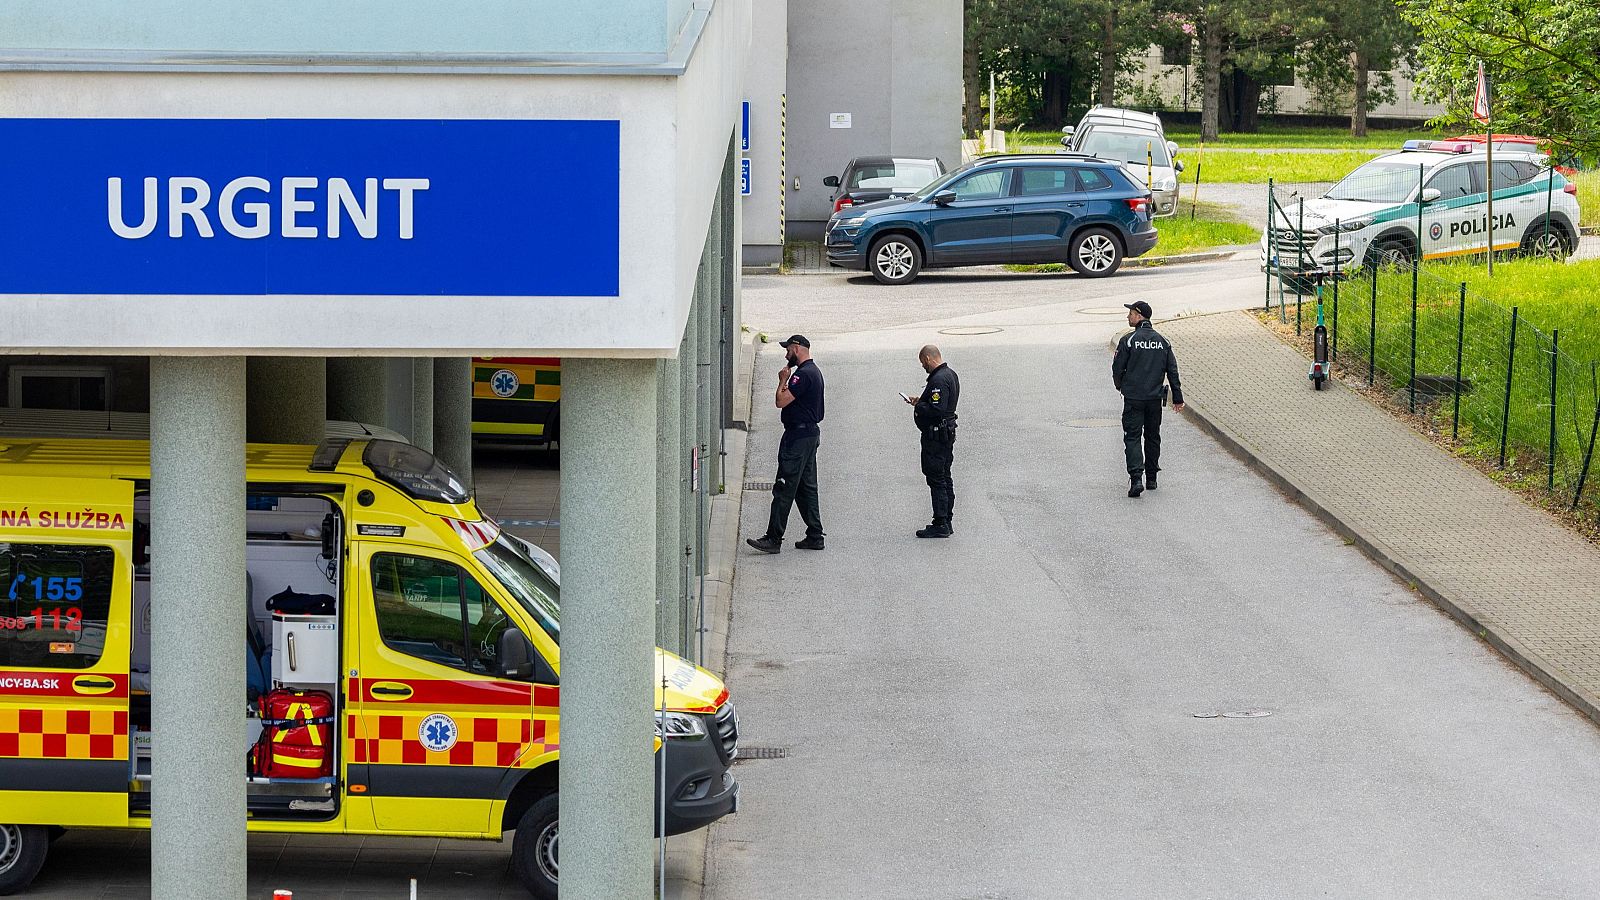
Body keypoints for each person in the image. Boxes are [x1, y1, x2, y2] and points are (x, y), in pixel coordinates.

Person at [747, 335, 826, 553]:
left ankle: (773, 538)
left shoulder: (803, 375)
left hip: (798, 439)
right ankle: (815, 535)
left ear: (797, 348)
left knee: (784, 486)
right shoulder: (813, 371)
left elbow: (780, 401)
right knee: (805, 487)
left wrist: (782, 380)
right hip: (809, 435)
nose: (786, 354)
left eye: (788, 350)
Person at [1111, 301, 1184, 498]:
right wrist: (1177, 397)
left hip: (1134, 398)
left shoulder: (1128, 340)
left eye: (1130, 314)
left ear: (1139, 315)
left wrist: (1120, 385)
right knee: (1153, 436)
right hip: (1154, 399)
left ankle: (1136, 479)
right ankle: (1151, 478)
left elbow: (1117, 368)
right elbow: (1173, 371)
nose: (1128, 317)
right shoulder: (1163, 341)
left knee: (1132, 436)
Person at [906, 344, 959, 537]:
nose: (923, 367)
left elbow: (937, 410)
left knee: (937, 478)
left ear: (928, 358)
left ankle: (941, 522)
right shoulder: (950, 374)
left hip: (936, 437)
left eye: (923, 363)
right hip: (945, 434)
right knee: (944, 476)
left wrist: (920, 405)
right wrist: (921, 401)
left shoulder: (938, 379)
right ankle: (946, 519)